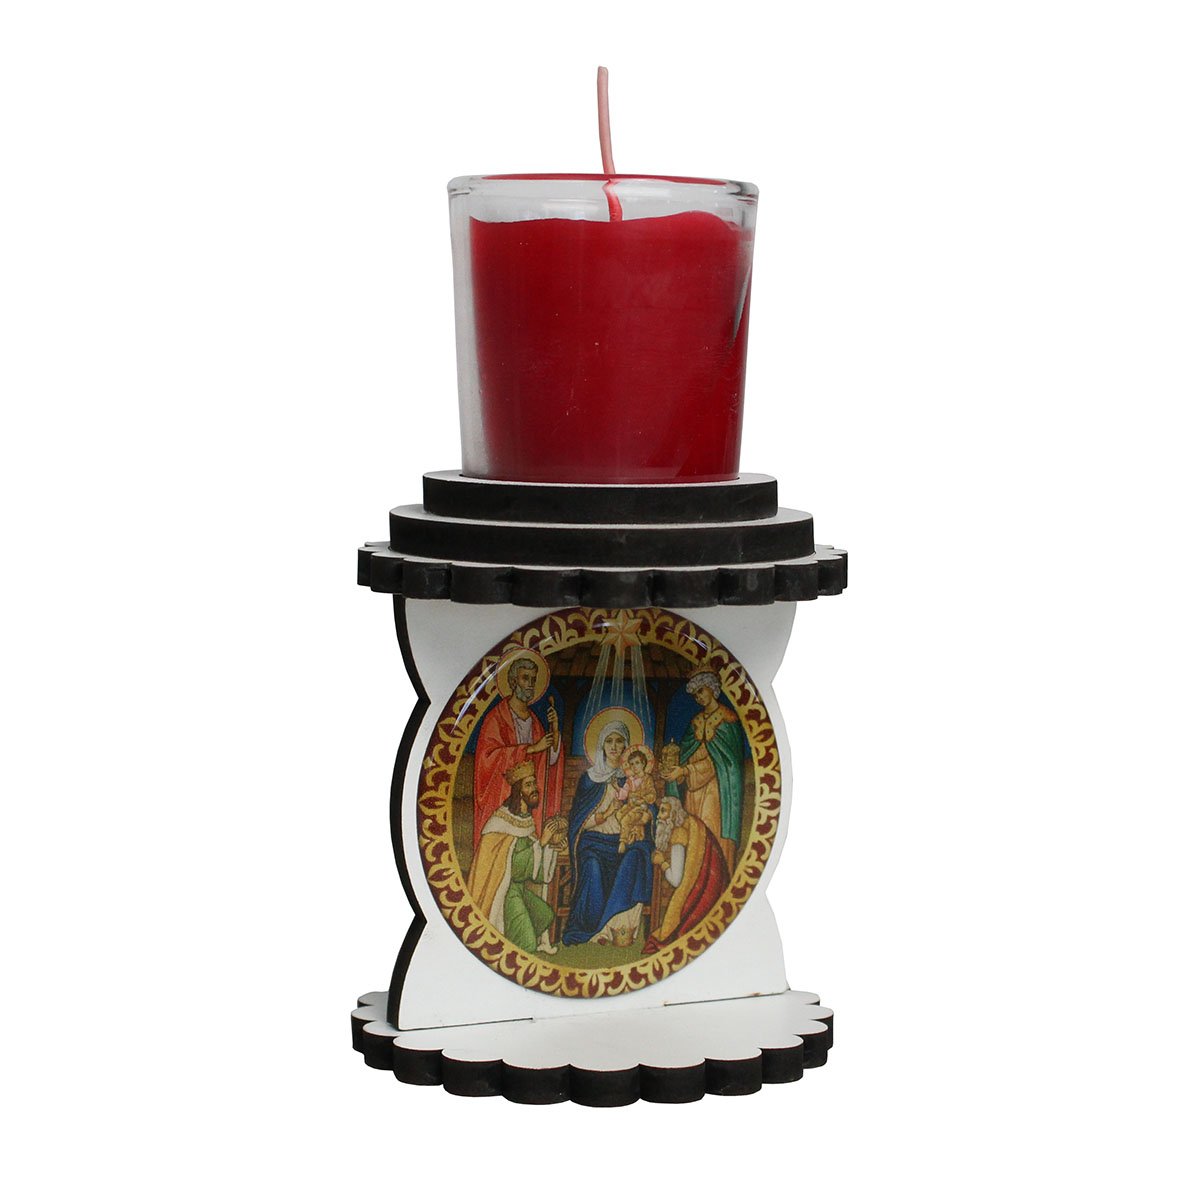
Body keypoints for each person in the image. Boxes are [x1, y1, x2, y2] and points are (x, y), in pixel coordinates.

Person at [562, 720, 655, 947]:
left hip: (623, 841)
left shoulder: (632, 779)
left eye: (619, 741)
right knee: (592, 868)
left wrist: (646, 815)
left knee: (636, 857)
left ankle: (620, 928)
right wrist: (605, 815)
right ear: (601, 746)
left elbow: (650, 805)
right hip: (593, 842)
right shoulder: (589, 779)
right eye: (609, 741)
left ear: (626, 746)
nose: (614, 746)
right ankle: (592, 931)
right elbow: (578, 822)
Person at [466, 761, 567, 954]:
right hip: (503, 891)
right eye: (528, 785)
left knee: (545, 915)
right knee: (527, 943)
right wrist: (542, 842)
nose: (534, 789)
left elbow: (534, 867)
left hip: (519, 889)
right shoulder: (499, 822)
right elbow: (515, 866)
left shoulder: (525, 820)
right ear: (518, 791)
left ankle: (536, 941)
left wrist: (551, 847)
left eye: (534, 783)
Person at [473, 656, 564, 848]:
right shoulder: (497, 718)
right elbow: (487, 759)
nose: (530, 684)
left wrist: (555, 730)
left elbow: (548, 763)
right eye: (525, 678)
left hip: (527, 801)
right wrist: (530, 749)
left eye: (533, 679)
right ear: (513, 681)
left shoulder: (535, 722)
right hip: (504, 799)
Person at [660, 669, 745, 873]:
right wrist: (675, 768)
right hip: (693, 790)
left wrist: (685, 770)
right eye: (695, 694)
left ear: (712, 688)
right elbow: (687, 752)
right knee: (694, 832)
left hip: (717, 790)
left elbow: (725, 762)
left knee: (710, 829)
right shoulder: (696, 721)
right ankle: (695, 879)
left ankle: (715, 877)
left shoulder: (727, 720)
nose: (698, 697)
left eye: (701, 691)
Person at [643, 793, 730, 953]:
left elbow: (676, 880)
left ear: (673, 815)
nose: (659, 817)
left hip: (703, 891)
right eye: (660, 811)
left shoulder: (679, 834)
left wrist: (662, 862)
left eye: (663, 811)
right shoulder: (681, 827)